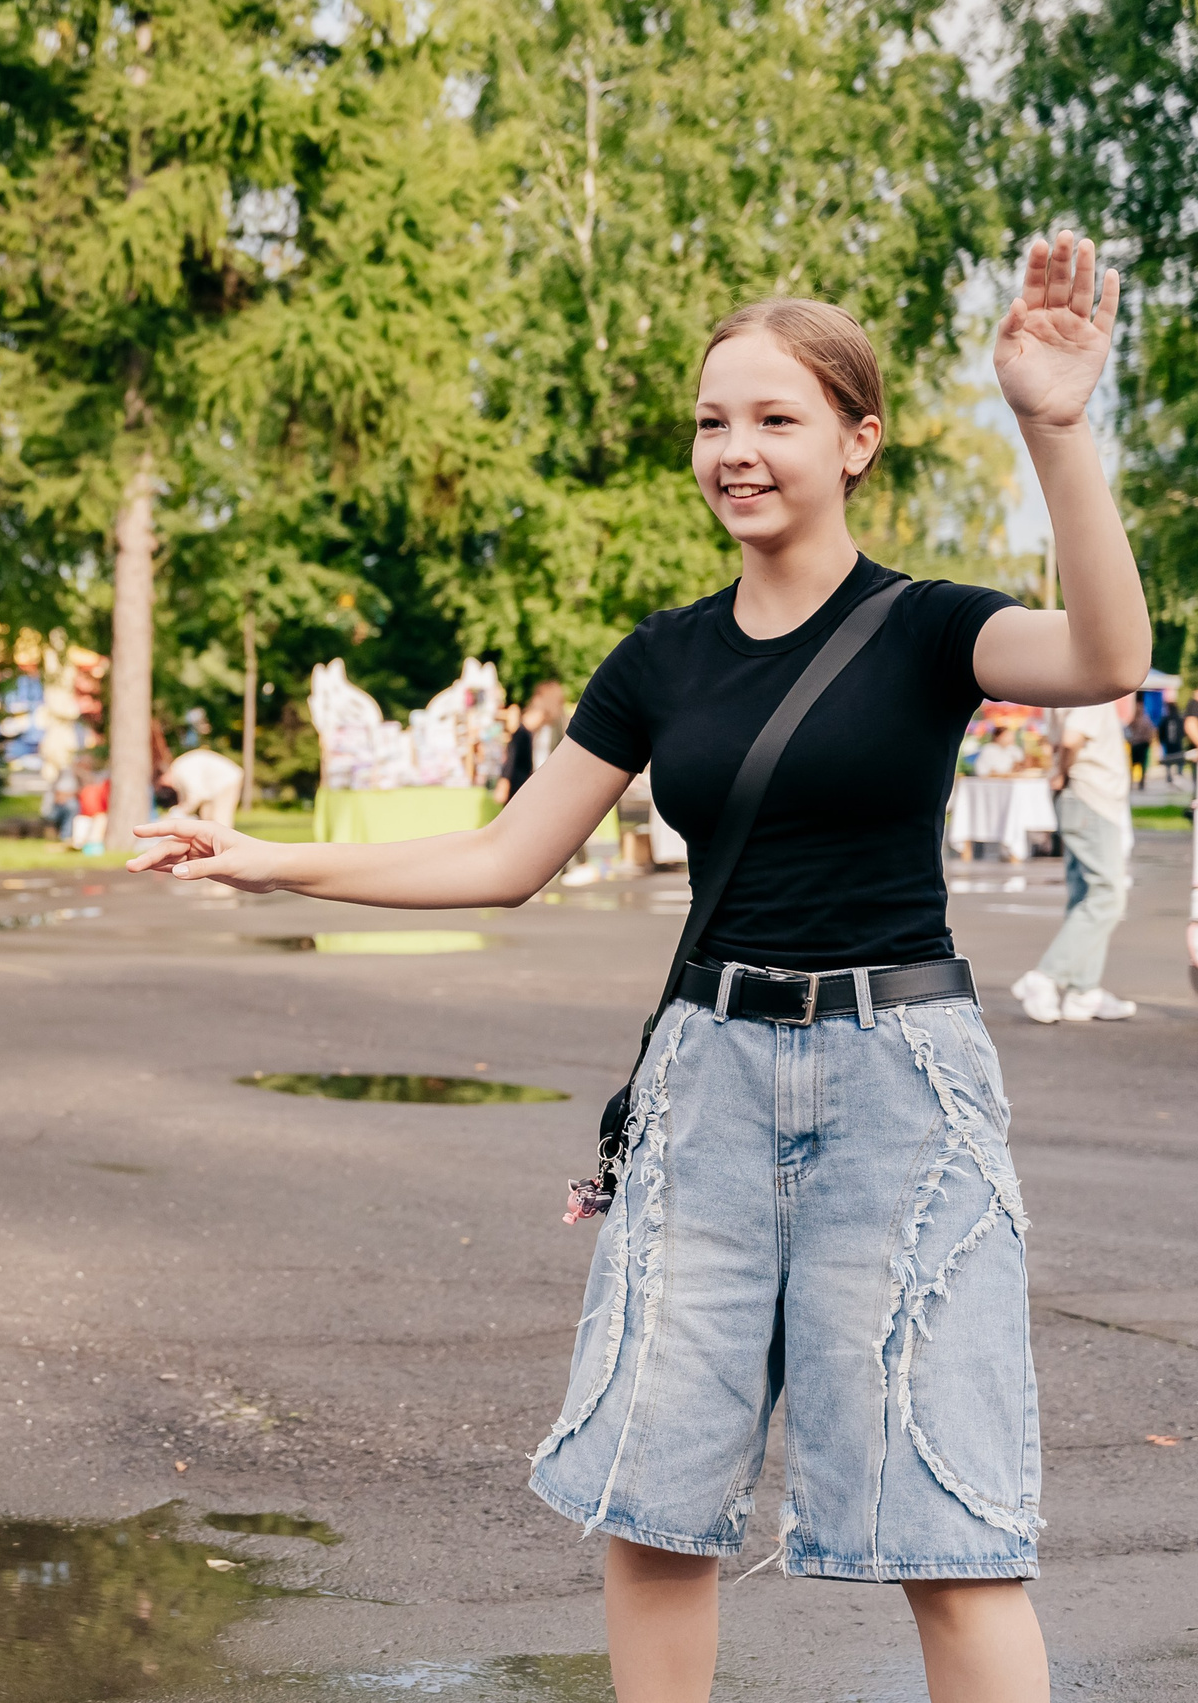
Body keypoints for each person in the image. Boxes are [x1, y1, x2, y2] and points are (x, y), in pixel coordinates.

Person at [131, 236, 1150, 1703]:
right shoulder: (659, 661)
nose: (735, 450)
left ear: (859, 440)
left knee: (949, 1515)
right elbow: (502, 855)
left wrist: (1054, 425)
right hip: (708, 1084)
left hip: (900, 1087)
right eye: (712, 420)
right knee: (654, 1501)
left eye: (776, 419)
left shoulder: (932, 626)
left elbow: (1111, 651)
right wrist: (269, 856)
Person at [1010, 695, 1136, 1022]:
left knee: (1086, 895)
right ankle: (1045, 977)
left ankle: (1084, 993)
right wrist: (1063, 773)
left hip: (1080, 799)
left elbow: (1058, 739)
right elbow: (1070, 739)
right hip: (1091, 798)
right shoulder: (1091, 688)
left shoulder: (1062, 688)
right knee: (1108, 896)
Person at [493, 679, 565, 804]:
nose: (534, 700)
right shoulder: (526, 730)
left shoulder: (557, 728)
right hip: (524, 787)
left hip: (543, 787)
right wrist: (504, 781)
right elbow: (513, 756)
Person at [165, 744, 245, 825]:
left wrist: (181, 811)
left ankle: (227, 837)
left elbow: (196, 795)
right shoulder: (178, 772)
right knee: (206, 819)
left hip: (226, 781)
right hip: (212, 789)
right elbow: (187, 798)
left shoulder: (180, 769)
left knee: (220, 819)